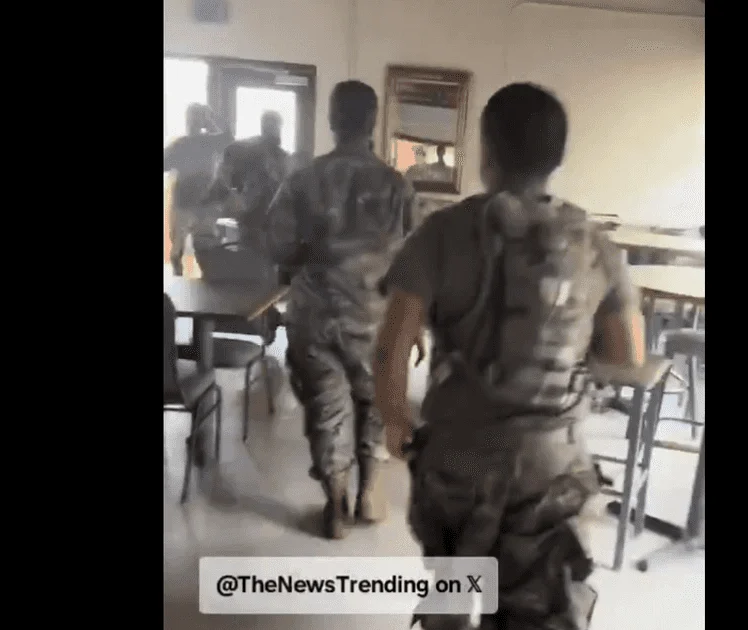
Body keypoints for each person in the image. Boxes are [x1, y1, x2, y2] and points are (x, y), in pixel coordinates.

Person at [373, 83, 647, 630]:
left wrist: (396, 419)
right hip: (550, 467)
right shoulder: (596, 245)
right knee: (535, 612)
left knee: (451, 593)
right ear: (558, 159)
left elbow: (391, 346)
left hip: (457, 457)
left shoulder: (441, 232)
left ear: (487, 153)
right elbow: (627, 356)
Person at [260, 80, 421, 540]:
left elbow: (276, 247)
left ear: (331, 120)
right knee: (374, 403)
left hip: (316, 316)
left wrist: (315, 254)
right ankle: (368, 493)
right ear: (373, 121)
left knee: (325, 407)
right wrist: (416, 324)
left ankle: (334, 507)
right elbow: (415, 262)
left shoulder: (302, 180)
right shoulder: (397, 187)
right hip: (376, 318)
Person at [163, 104, 233, 276]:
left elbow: (229, 139)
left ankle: (207, 279)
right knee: (178, 250)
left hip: (204, 203)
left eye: (198, 117)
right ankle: (179, 277)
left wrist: (211, 122)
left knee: (204, 247)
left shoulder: (210, 141)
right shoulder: (180, 144)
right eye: (192, 117)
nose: (194, 121)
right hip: (185, 202)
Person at [203, 111, 289, 249]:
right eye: (272, 125)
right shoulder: (243, 149)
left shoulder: (282, 157)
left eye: (276, 126)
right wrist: (232, 198)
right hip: (251, 220)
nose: (276, 130)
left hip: (268, 222)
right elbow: (221, 180)